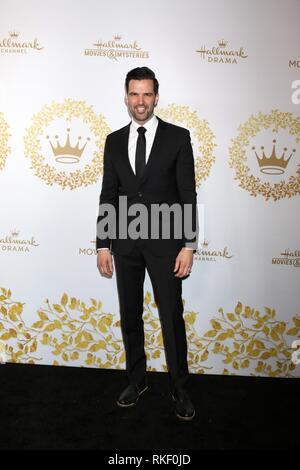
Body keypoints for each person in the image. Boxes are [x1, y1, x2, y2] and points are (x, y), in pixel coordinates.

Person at [96, 67, 197, 421]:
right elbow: (109, 195)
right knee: (130, 316)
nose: (140, 101)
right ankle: (136, 381)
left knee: (171, 316)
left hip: (167, 245)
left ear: (156, 96)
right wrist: (102, 244)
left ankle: (180, 388)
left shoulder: (178, 137)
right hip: (124, 245)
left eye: (147, 94)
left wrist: (189, 245)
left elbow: (188, 194)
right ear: (126, 97)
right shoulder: (112, 140)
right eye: (134, 94)